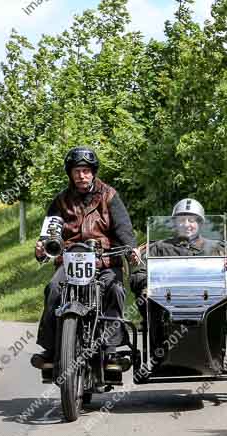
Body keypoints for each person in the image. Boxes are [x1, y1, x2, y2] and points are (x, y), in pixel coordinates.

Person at [32, 146, 140, 369]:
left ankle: (111, 351)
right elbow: (50, 234)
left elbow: (123, 228)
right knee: (53, 289)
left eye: (86, 170)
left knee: (115, 289)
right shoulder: (61, 201)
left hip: (105, 258)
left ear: (93, 172)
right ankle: (51, 350)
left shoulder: (109, 196)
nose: (82, 175)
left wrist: (131, 249)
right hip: (71, 259)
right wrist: (43, 248)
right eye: (77, 171)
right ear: (70, 173)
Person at [129, 198, 227, 319]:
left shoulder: (218, 248)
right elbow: (136, 279)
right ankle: (159, 334)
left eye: (191, 220)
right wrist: (154, 279)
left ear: (200, 224)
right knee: (145, 295)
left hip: (210, 305)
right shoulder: (158, 248)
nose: (186, 225)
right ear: (175, 223)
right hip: (166, 304)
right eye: (181, 220)